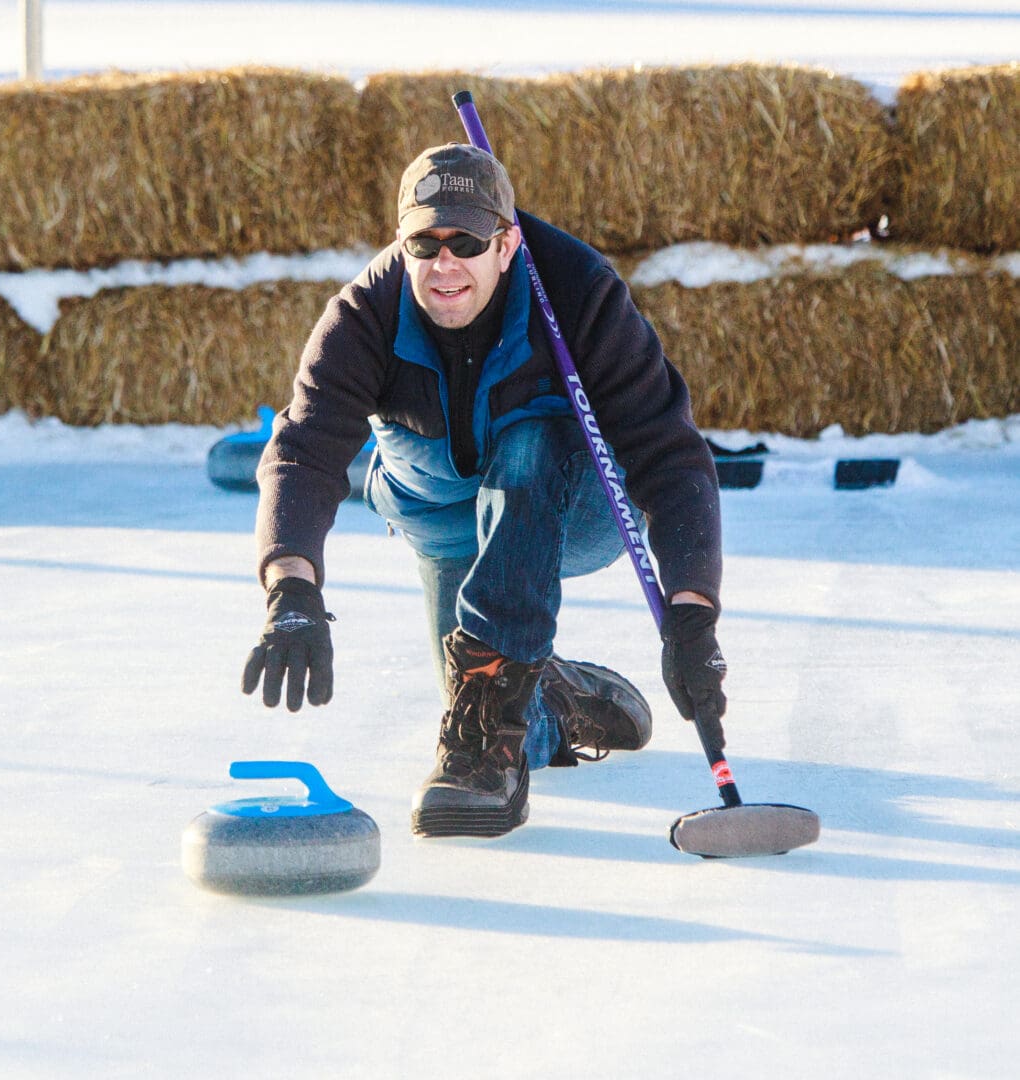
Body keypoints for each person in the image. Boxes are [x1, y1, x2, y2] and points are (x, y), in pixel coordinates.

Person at [241, 142, 728, 839]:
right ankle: (551, 693)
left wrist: (692, 613)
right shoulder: (361, 317)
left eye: (466, 242)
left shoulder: (579, 290)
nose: (444, 265)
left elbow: (670, 454)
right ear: (399, 244)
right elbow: (303, 454)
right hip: (439, 518)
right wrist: (291, 589)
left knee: (532, 441)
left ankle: (496, 699)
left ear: (507, 244)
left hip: (564, 509)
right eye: (424, 244)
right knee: (498, 711)